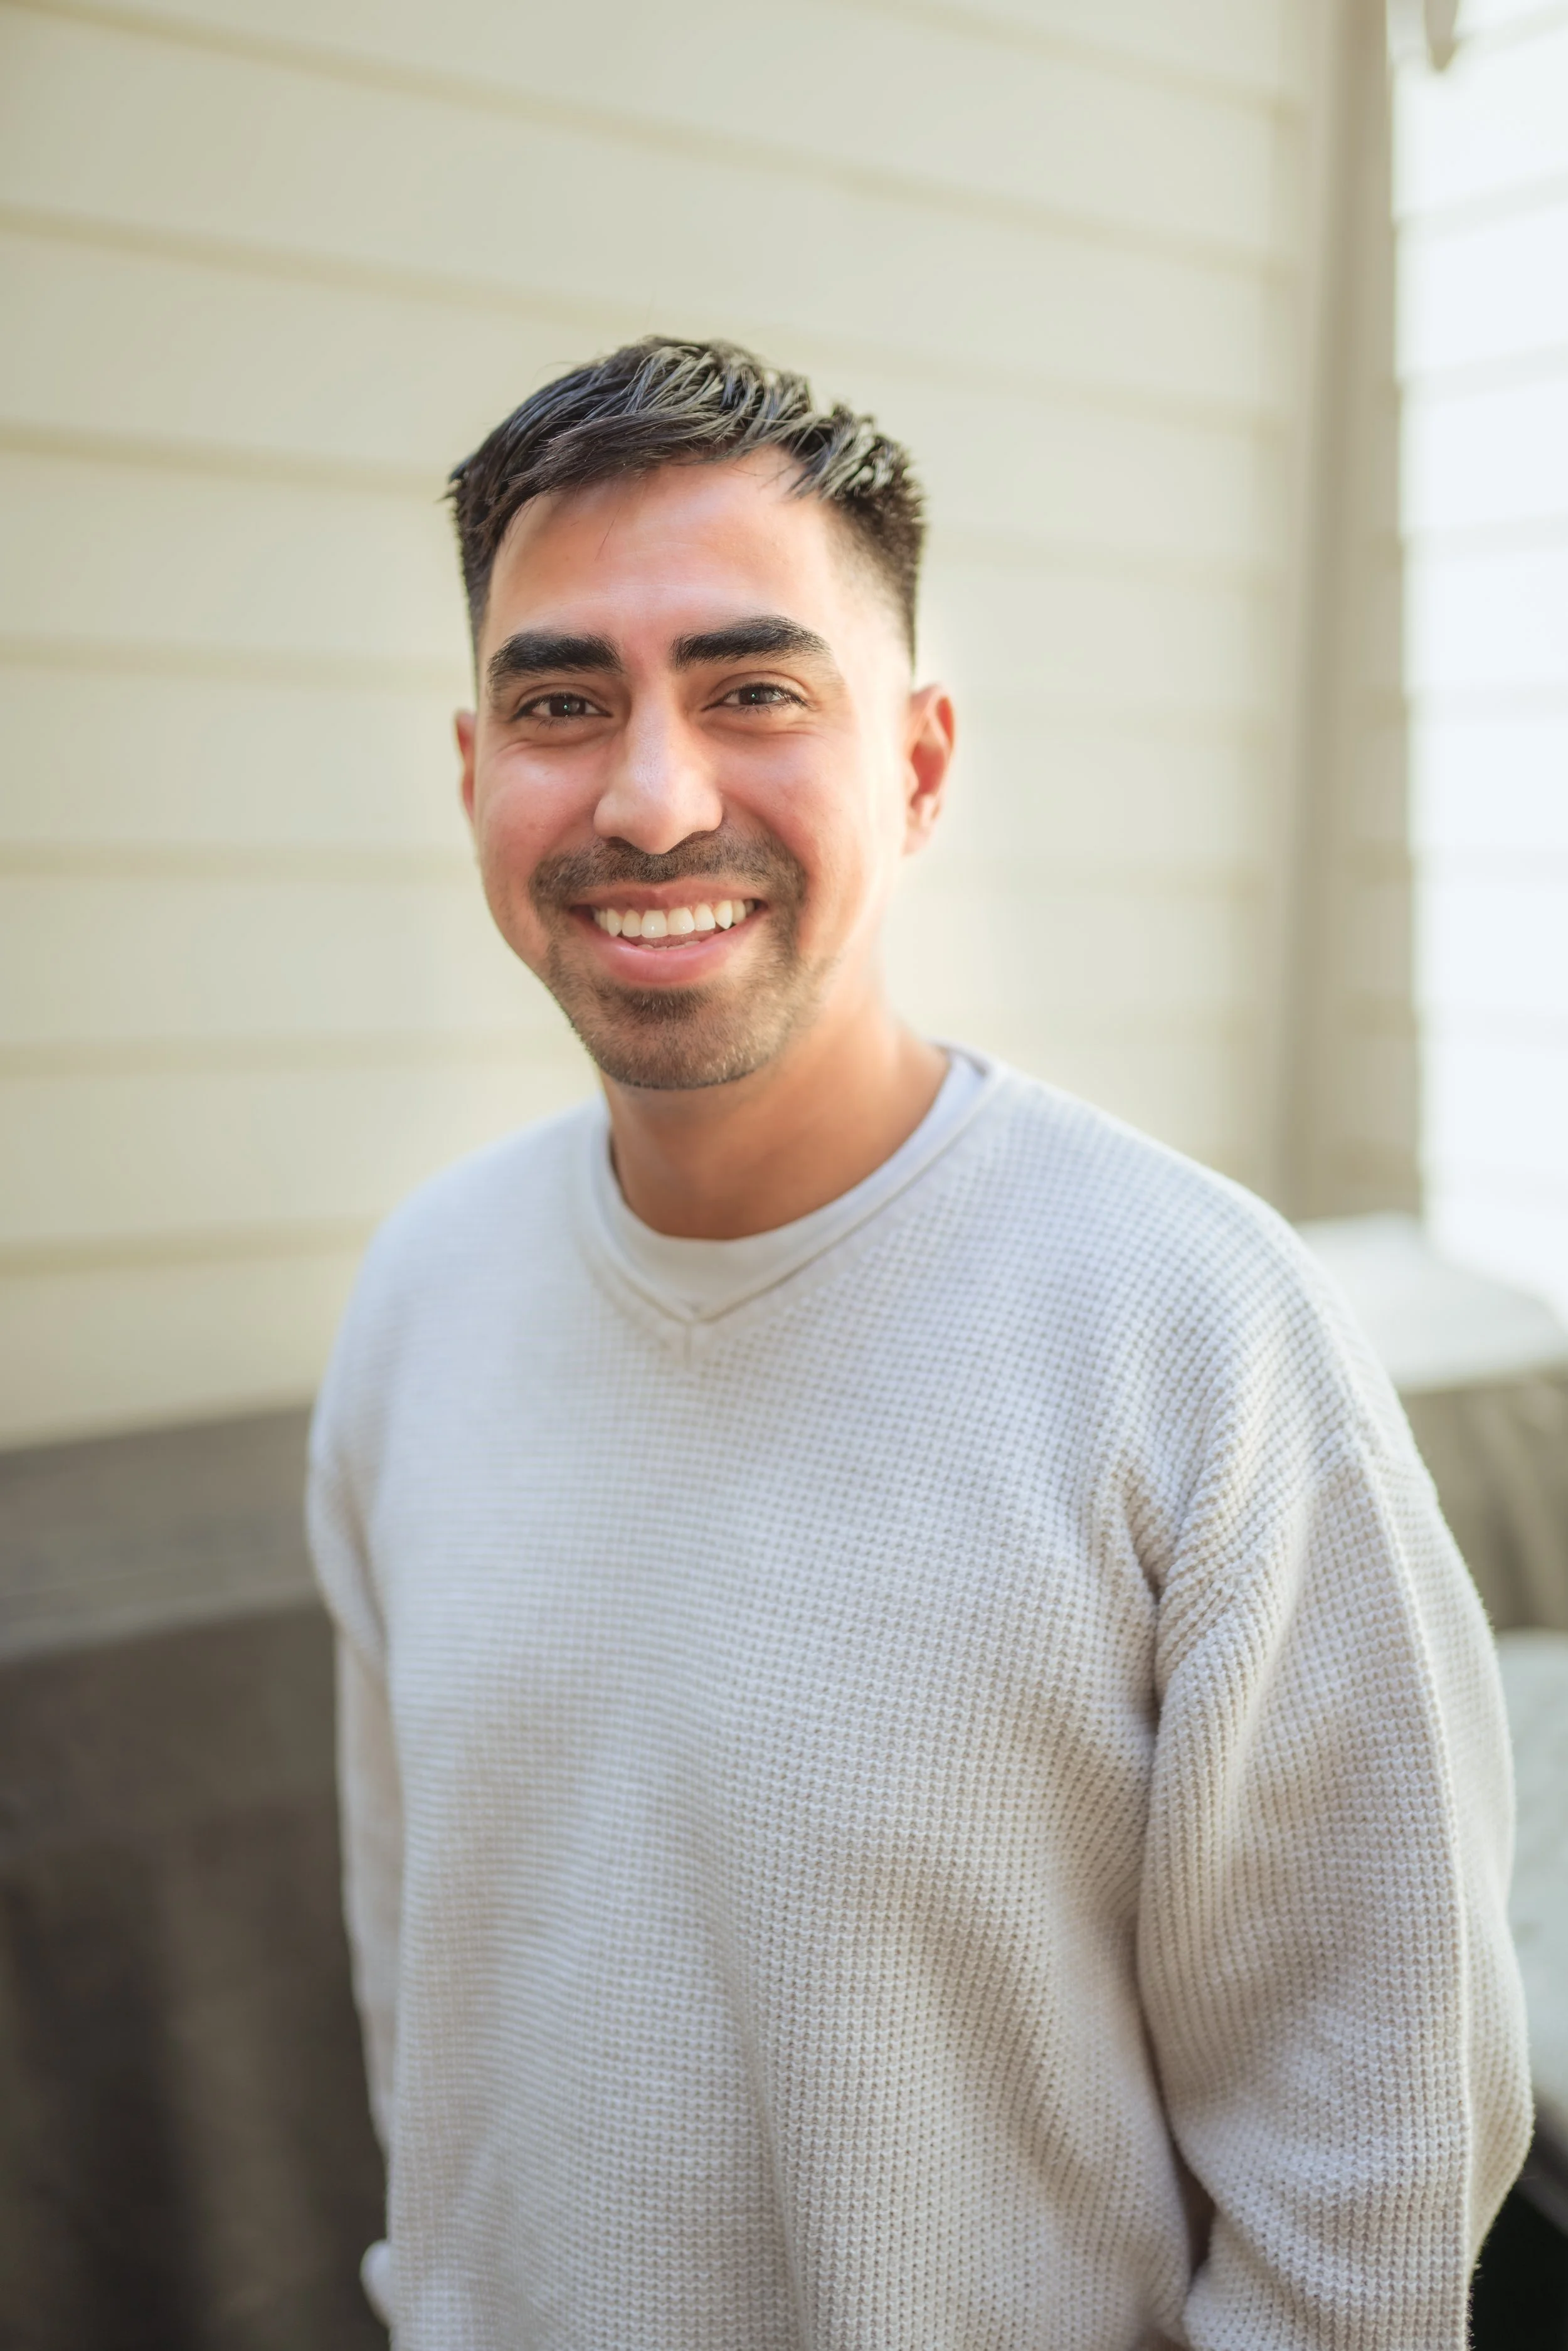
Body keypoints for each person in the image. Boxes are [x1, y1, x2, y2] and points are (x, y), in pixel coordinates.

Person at [308, 337, 1530, 2350]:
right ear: (473, 776)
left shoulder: (1197, 1338)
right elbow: (420, 2002)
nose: (650, 795)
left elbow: (1367, 2183)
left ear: (920, 765)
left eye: (753, 690)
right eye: (561, 702)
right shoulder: (417, 1305)